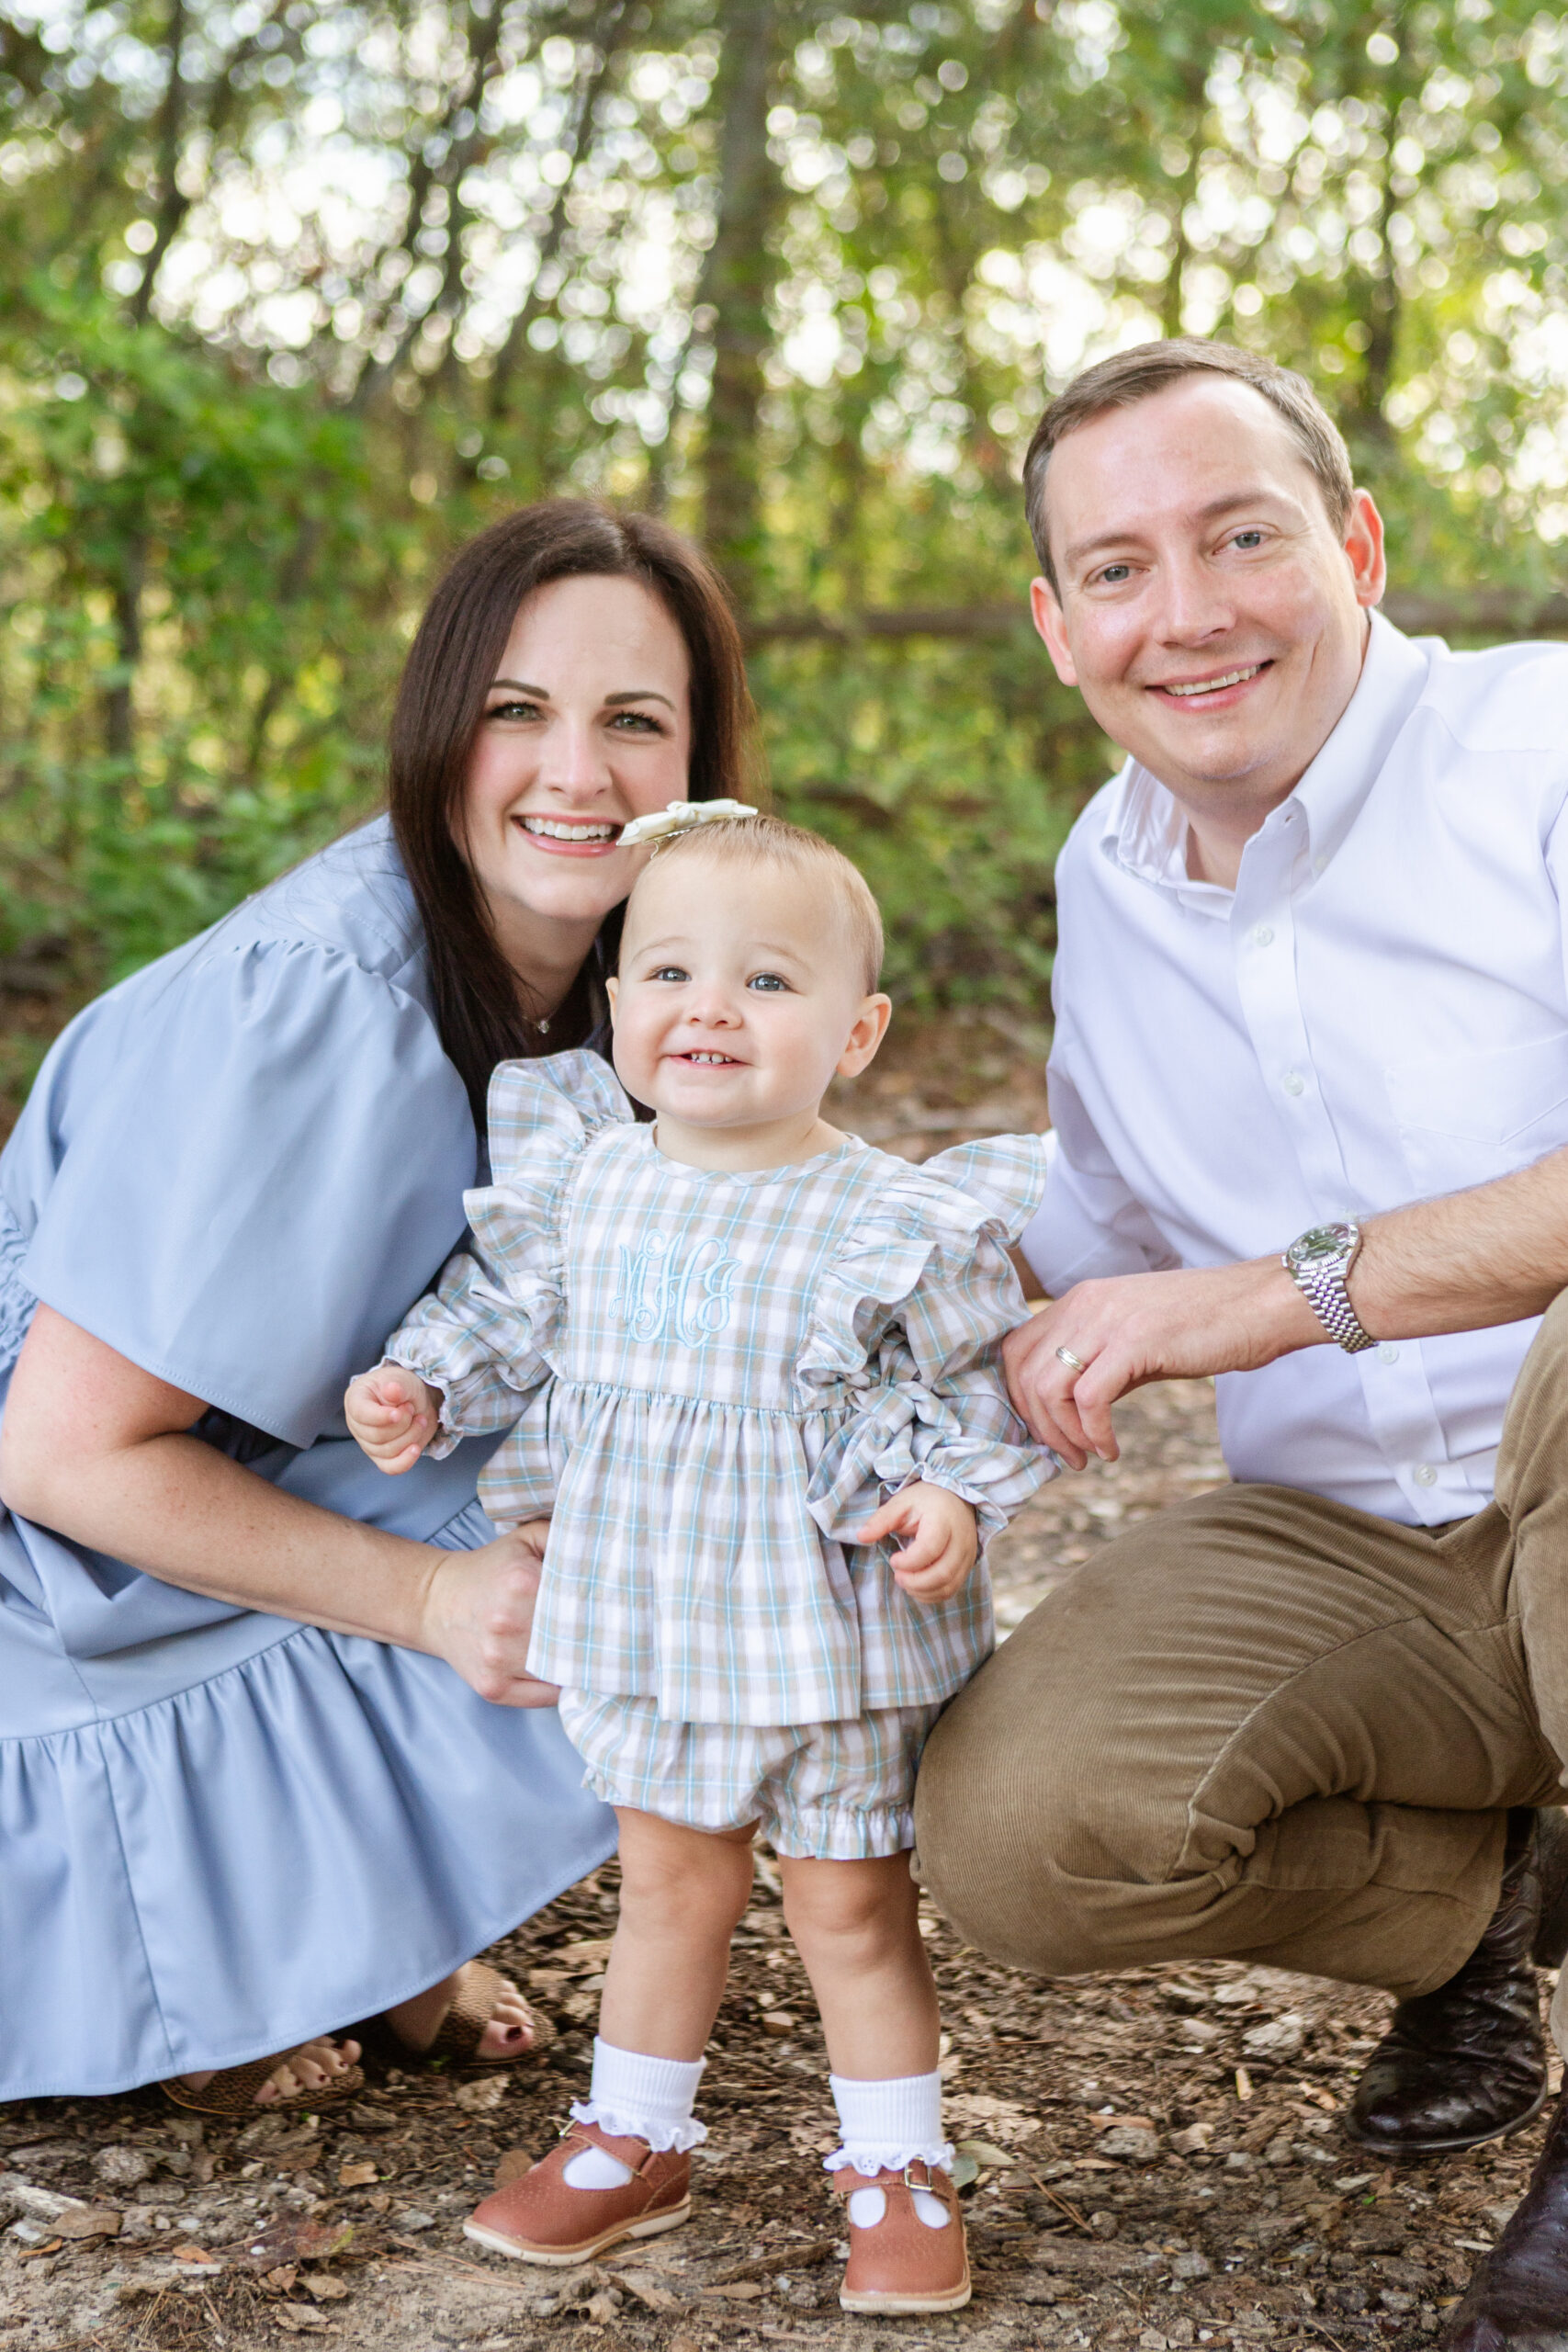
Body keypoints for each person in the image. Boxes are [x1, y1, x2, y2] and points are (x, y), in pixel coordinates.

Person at [909, 338, 1568, 2350]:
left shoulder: (1535, 748)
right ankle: (1480, 1921)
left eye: (1238, 537)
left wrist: (1259, 1297)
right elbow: (1087, 1229)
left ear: (1353, 541)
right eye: (1113, 569)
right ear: (1053, 626)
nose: (1181, 613)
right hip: (1370, 1550)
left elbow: (1205, 1284)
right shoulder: (1101, 885)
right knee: (1019, 1831)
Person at [0, 500, 755, 2114]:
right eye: (516, 713)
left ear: (700, 764)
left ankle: (374, 1937)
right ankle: (230, 1956)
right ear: (438, 729)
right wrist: (432, 1606)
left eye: (636, 721)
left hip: (256, 1473)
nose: (578, 774)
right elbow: (60, 1460)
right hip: (58, 1579)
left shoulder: (632, 977)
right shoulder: (324, 999)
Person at [344, 812, 1050, 2314]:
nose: (709, 1006)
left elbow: (972, 1381)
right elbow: (501, 1319)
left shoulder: (890, 1217)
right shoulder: (588, 1184)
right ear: (618, 1009)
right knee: (669, 1887)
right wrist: (422, 1387)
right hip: (657, 1623)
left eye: (768, 982)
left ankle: (899, 2165)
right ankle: (632, 2140)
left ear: (856, 1032)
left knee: (851, 1908)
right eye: (667, 969)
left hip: (830, 1639)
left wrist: (950, 1497)